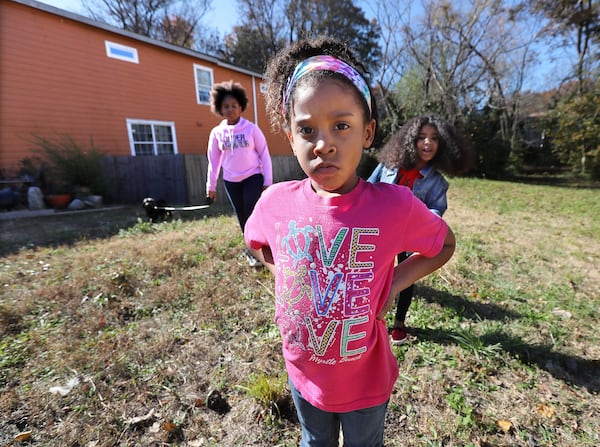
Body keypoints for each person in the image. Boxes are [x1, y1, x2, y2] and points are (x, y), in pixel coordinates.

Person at [243, 36, 456, 447]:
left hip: (365, 381)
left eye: (341, 125)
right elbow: (257, 242)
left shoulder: (395, 205)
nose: (323, 143)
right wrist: (281, 271)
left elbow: (443, 245)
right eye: (307, 129)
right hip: (303, 374)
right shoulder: (274, 203)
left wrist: (394, 283)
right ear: (290, 137)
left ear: (368, 132)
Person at [368, 115, 474, 345]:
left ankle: (399, 324)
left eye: (434, 138)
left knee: (405, 277)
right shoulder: (388, 166)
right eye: (422, 137)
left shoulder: (438, 183)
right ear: (410, 140)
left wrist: (418, 223)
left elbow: (437, 212)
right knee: (376, 273)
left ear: (442, 144)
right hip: (380, 232)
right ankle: (369, 316)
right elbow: (367, 188)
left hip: (410, 238)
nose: (428, 143)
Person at [205, 80, 273, 267]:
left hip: (253, 177)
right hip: (231, 181)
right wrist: (210, 187)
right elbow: (214, 161)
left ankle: (264, 244)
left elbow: (264, 155)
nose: (230, 109)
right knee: (242, 215)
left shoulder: (251, 129)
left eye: (234, 105)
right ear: (219, 108)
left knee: (252, 210)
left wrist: (267, 181)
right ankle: (252, 249)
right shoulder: (217, 133)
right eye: (226, 106)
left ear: (241, 106)